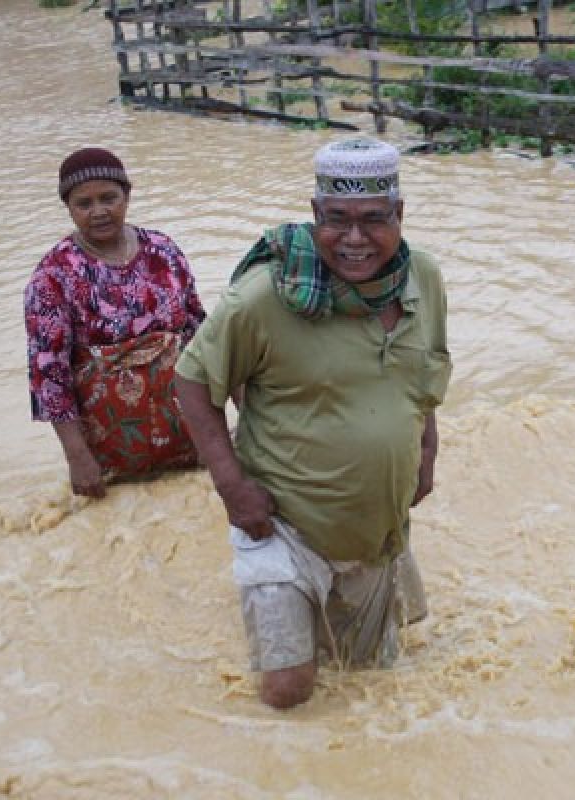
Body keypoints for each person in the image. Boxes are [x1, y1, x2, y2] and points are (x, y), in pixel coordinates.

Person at [174, 137, 451, 709]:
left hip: (374, 524)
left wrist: (425, 451)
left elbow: (424, 373)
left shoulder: (422, 277)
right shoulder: (264, 297)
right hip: (280, 523)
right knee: (288, 691)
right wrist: (231, 486)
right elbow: (192, 382)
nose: (354, 239)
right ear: (315, 213)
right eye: (337, 221)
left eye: (374, 220)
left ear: (400, 214)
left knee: (371, 676)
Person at [24, 147, 206, 498]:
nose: (99, 212)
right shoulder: (53, 275)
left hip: (186, 428)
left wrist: (227, 413)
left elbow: (200, 331)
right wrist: (77, 456)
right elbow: (49, 374)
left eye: (109, 198)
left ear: (127, 195)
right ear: (69, 208)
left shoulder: (163, 251)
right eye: (84, 203)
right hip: (109, 447)